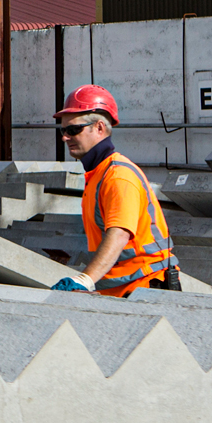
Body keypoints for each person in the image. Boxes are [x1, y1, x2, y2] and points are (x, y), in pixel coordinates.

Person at [50, 85, 180, 296]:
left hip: (146, 290)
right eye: (63, 130)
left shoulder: (118, 176)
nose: (65, 137)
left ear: (99, 128)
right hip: (124, 289)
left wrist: (85, 279)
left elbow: (119, 234)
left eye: (73, 130)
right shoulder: (97, 174)